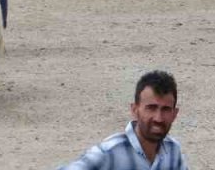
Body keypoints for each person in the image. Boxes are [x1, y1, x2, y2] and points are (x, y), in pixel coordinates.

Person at [58, 70, 187, 170]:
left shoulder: (173, 151)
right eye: (151, 108)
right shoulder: (109, 152)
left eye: (165, 109)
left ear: (174, 114)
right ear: (134, 110)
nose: (158, 118)